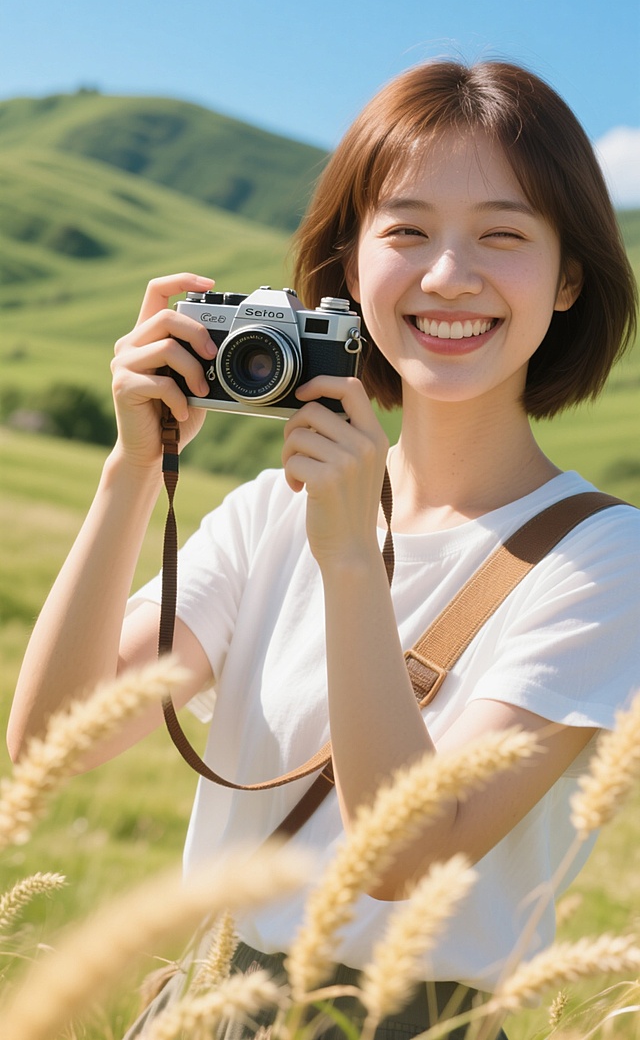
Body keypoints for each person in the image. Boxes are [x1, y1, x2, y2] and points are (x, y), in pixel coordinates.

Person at [7, 60, 639, 1039]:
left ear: (567, 277)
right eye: (407, 230)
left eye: (501, 235)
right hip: (204, 1010)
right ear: (350, 267)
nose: (447, 275)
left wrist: (351, 563)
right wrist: (130, 473)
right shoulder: (267, 514)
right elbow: (52, 744)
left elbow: (405, 857)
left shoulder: (603, 557)